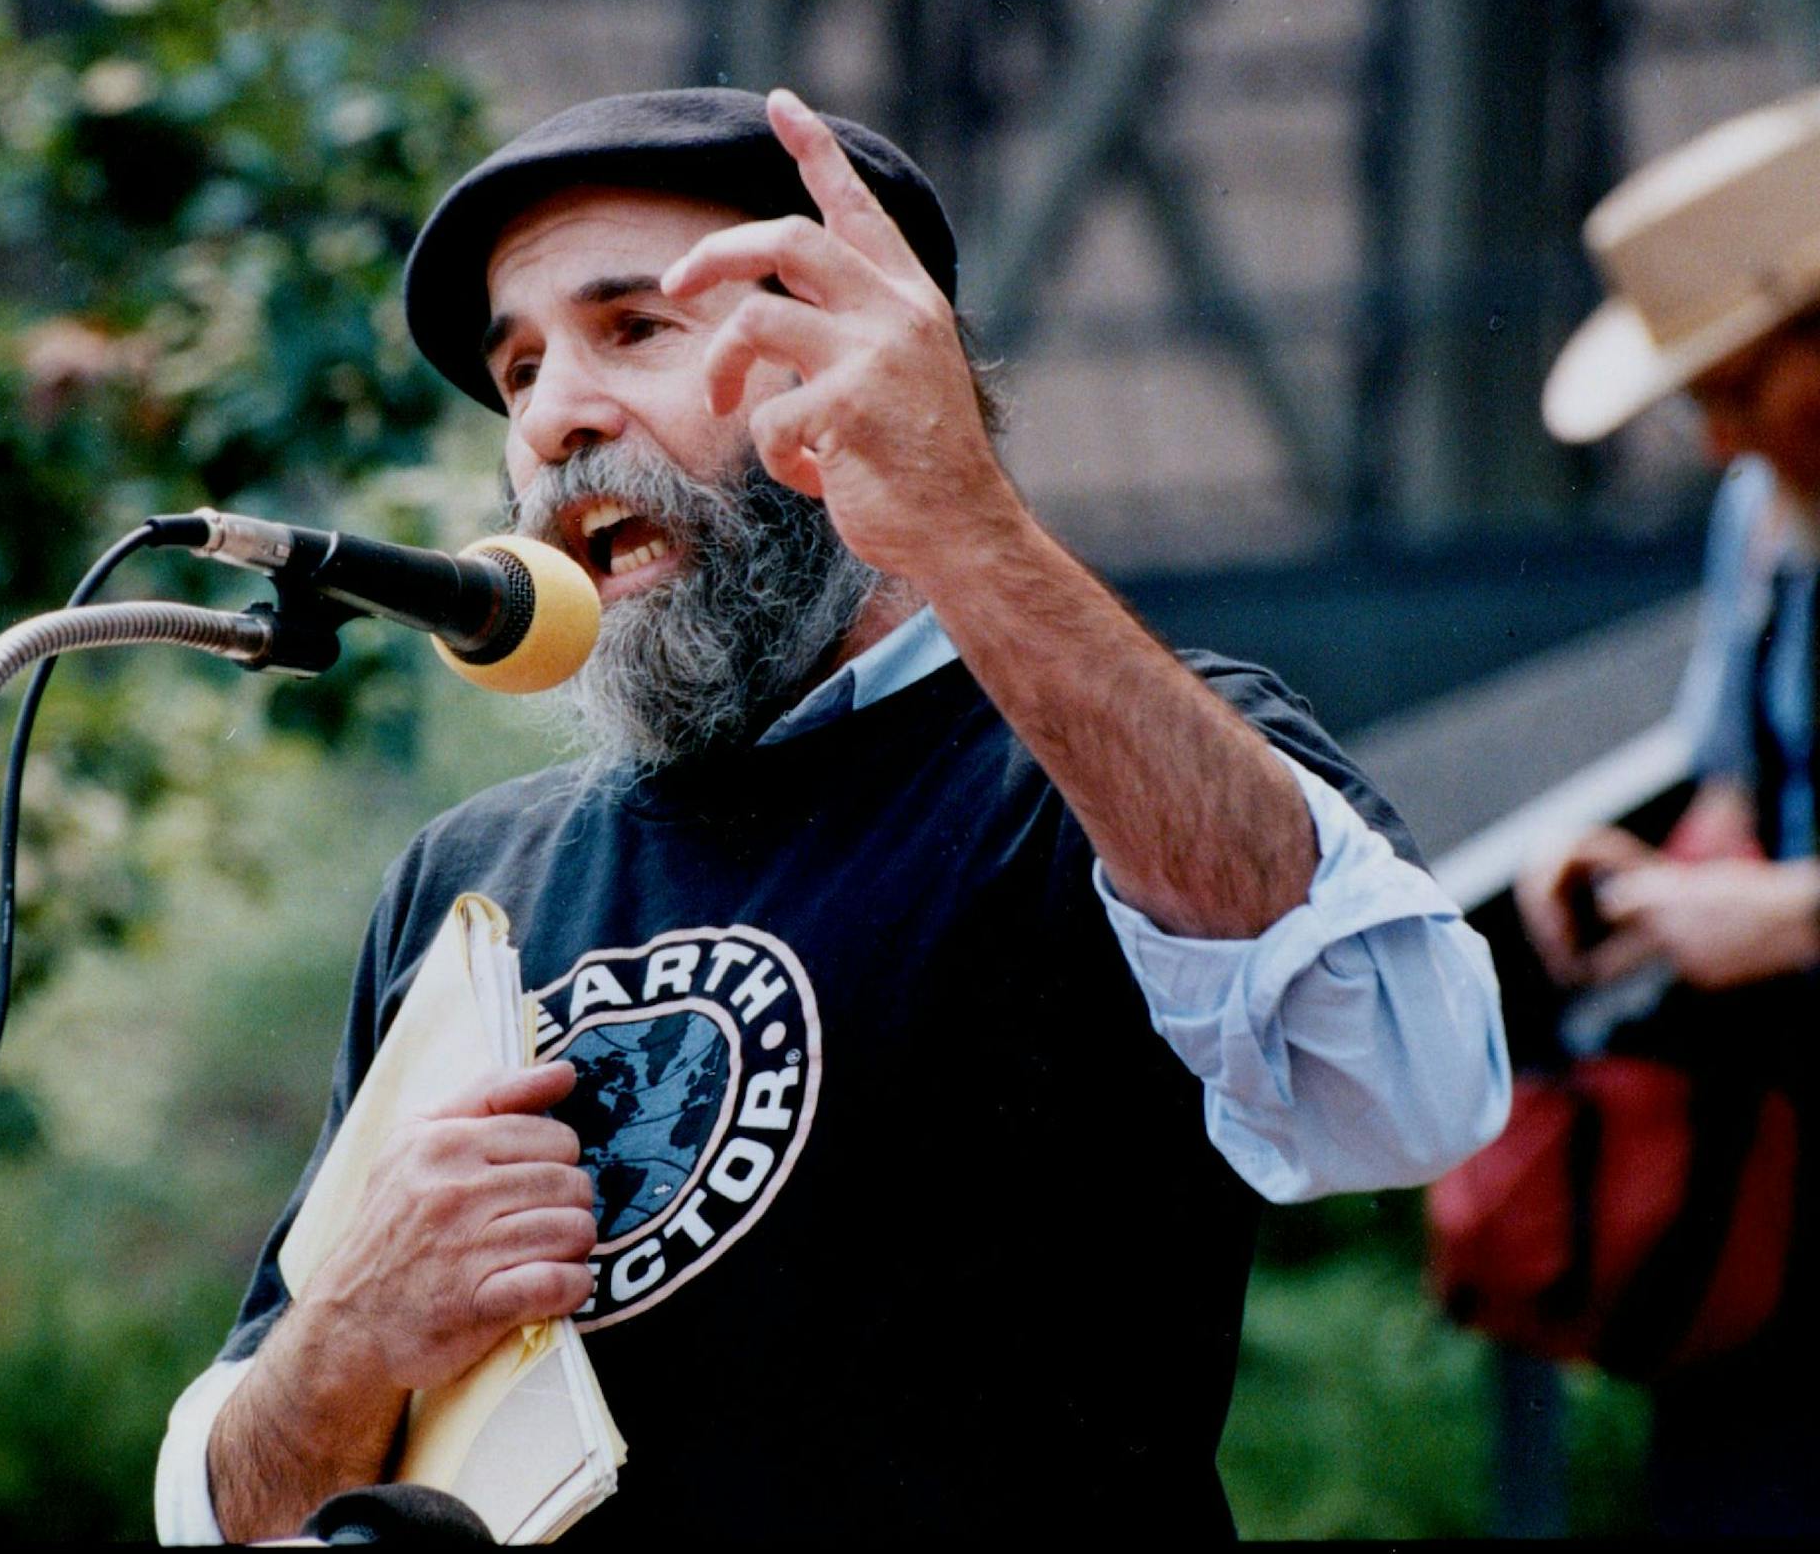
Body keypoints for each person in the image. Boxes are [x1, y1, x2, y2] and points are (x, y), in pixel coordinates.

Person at [154, 86, 1508, 1544]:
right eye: (521, 367)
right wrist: (352, 1327)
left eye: (636, 329)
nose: (551, 418)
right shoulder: (468, 880)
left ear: (859, 368)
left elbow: (1412, 1082)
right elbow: (219, 1514)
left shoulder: (1094, 763)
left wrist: (963, 519)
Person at [1527, 88, 1820, 1534]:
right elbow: (1732, 775)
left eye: (1736, 388)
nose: (1715, 442)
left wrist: (1774, 913)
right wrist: (1636, 876)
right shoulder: (1762, 522)